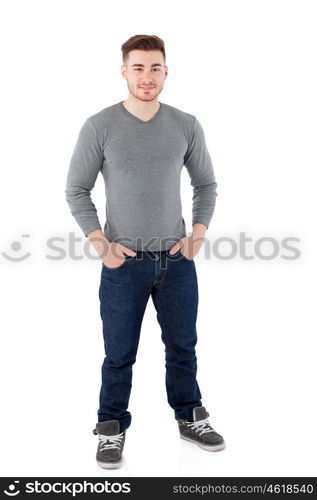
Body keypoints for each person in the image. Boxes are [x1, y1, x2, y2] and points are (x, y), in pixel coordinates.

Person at [65, 34, 225, 469]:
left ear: (166, 71)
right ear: (124, 72)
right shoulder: (99, 126)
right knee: (119, 352)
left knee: (183, 346)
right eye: (138, 68)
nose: (147, 77)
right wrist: (101, 245)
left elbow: (205, 184)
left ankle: (190, 416)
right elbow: (77, 190)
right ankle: (111, 427)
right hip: (124, 264)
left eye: (155, 68)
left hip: (177, 262)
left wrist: (197, 234)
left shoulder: (186, 124)